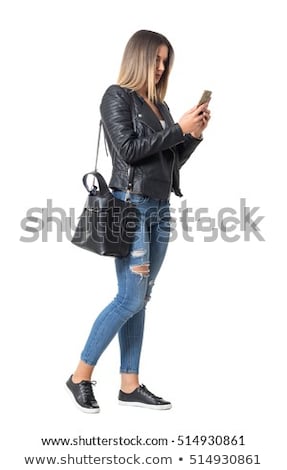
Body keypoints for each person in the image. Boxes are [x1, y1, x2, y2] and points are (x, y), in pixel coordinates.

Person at [66, 29, 211, 413]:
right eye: (156, 59)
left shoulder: (160, 108)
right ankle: (79, 376)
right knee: (128, 297)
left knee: (141, 299)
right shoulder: (117, 97)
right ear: (139, 58)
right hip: (130, 209)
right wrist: (177, 129)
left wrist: (191, 136)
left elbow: (169, 162)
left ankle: (129, 384)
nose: (162, 67)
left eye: (166, 61)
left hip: (161, 209)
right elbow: (129, 152)